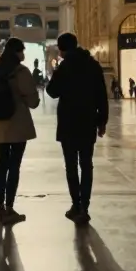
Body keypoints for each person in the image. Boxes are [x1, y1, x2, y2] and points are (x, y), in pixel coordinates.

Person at [46, 33, 108, 224]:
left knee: (71, 166)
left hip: (68, 123)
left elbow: (52, 91)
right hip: (88, 121)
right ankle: (85, 207)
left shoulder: (64, 67)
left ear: (62, 49)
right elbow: (101, 95)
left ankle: (76, 205)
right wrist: (102, 121)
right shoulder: (93, 64)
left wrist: (56, 71)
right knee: (86, 165)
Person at [0, 38, 39, 224]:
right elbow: (33, 102)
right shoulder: (21, 72)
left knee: (2, 166)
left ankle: (0, 208)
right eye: (22, 51)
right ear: (17, 52)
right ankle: (10, 208)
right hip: (17, 125)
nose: (23, 54)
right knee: (14, 166)